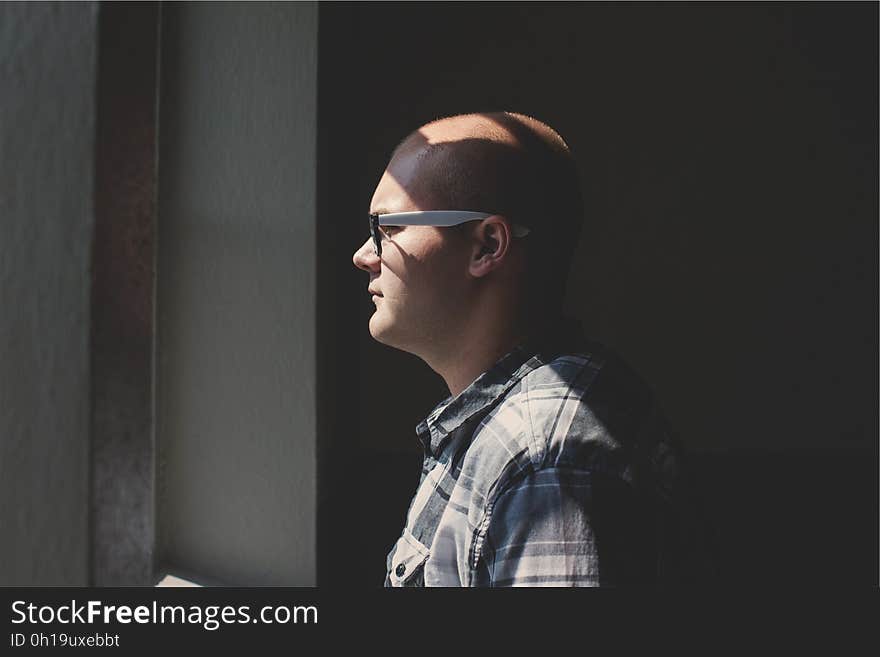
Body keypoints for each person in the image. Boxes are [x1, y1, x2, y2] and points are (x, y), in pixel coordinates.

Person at [352, 111, 716, 587]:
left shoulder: (547, 454)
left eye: (387, 227)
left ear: (487, 245)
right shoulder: (512, 426)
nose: (364, 255)